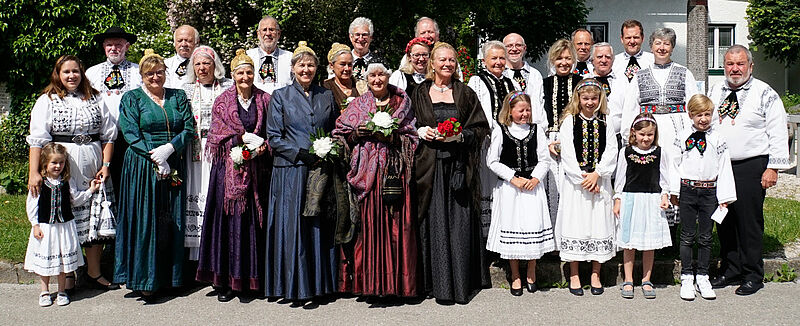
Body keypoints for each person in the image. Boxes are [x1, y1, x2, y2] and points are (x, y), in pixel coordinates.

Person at [27, 55, 118, 292]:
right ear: (58, 74)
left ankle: (93, 272)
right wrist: (34, 172)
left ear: (82, 73)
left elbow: (109, 135)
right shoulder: (47, 100)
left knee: (94, 217)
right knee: (65, 217)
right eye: (66, 72)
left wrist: (106, 165)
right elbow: (37, 140)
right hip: (62, 166)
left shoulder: (96, 97)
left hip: (93, 161)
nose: (71, 76)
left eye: (75, 71)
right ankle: (67, 273)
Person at [707, 45, 790, 295]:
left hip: (751, 165)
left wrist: (773, 167)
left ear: (750, 66)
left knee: (749, 222)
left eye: (740, 64)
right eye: (730, 64)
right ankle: (731, 269)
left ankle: (753, 274)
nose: (735, 69)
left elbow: (777, 130)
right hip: (721, 166)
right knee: (725, 221)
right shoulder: (715, 90)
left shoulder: (764, 93)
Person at [332, 60, 419, 297]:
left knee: (397, 227)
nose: (377, 80)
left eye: (381, 75)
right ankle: (370, 285)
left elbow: (412, 137)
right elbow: (339, 133)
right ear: (367, 81)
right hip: (366, 173)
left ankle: (398, 286)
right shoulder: (359, 104)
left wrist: (393, 139)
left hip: (393, 173)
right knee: (370, 228)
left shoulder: (402, 102)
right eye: (373, 77)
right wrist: (354, 136)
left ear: (388, 77)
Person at [114, 49, 195, 301]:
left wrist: (170, 149)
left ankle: (171, 277)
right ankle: (144, 279)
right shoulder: (132, 98)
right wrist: (154, 157)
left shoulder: (178, 96)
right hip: (141, 164)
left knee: (171, 217)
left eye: (159, 72)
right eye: (149, 73)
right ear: (142, 75)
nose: (155, 77)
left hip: (174, 159)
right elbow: (129, 132)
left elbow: (189, 126)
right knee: (146, 218)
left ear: (165, 72)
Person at [413, 42, 491, 304]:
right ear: (432, 63)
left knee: (459, 223)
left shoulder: (465, 93)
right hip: (430, 167)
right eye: (442, 60)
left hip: (459, 166)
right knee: (434, 222)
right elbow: (407, 124)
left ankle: (460, 283)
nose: (447, 64)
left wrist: (460, 136)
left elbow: (481, 128)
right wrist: (421, 131)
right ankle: (437, 285)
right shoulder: (419, 92)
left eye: (451, 60)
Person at [264, 41, 340, 301]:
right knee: (292, 227)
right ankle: (291, 287)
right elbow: (273, 137)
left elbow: (335, 129)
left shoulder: (325, 95)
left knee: (317, 226)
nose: (306, 69)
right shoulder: (280, 96)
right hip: (290, 170)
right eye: (301, 65)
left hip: (319, 169)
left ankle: (318, 286)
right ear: (293, 68)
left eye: (310, 65)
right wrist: (299, 153)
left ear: (317, 68)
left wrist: (328, 149)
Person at [196, 49, 271, 302]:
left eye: (249, 72)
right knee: (228, 224)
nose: (245, 76)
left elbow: (273, 132)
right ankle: (226, 282)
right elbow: (216, 137)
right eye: (240, 72)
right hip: (226, 172)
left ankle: (253, 280)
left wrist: (263, 147)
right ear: (232, 74)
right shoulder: (223, 101)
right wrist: (239, 139)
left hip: (258, 172)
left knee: (253, 223)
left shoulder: (266, 100)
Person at [622, 27, 698, 227]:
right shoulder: (641, 75)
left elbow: (693, 103)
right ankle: (653, 223)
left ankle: (677, 225)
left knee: (674, 169)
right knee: (652, 170)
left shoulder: (684, 72)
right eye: (658, 43)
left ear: (672, 47)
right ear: (651, 46)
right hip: (650, 128)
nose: (662, 48)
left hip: (677, 128)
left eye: (666, 43)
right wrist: (628, 136)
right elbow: (630, 106)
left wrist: (693, 132)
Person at [485, 91, 554, 296]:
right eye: (521, 110)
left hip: (532, 187)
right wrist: (512, 177)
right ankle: (515, 274)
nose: (525, 114)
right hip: (510, 189)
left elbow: (544, 159)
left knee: (532, 226)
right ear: (510, 111)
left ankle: (531, 270)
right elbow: (492, 161)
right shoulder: (502, 130)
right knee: (512, 226)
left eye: (528, 110)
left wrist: (535, 178)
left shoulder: (536, 130)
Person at [669, 94, 736, 301]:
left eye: (707, 114)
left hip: (709, 192)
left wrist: (724, 196)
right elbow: (674, 164)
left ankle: (703, 276)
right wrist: (674, 191)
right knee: (687, 235)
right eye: (699, 115)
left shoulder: (718, 138)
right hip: (688, 190)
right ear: (690, 115)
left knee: (706, 237)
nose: (703, 119)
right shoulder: (682, 136)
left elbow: (725, 167)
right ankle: (687, 275)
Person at [555, 79, 618, 296]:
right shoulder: (569, 122)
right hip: (577, 184)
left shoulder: (606, 121)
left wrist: (597, 174)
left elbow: (611, 150)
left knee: (598, 223)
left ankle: (595, 273)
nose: (590, 102)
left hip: (599, 182)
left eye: (594, 98)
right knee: (577, 223)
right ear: (578, 99)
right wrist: (583, 179)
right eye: (586, 98)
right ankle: (574, 273)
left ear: (600, 99)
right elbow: (568, 154)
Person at [24, 143, 97, 306]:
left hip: (65, 227)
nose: (58, 166)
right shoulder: (40, 183)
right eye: (54, 163)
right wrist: (35, 225)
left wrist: (90, 191)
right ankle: (44, 291)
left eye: (61, 163)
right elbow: (32, 204)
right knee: (47, 262)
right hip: (46, 228)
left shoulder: (66, 181)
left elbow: (75, 200)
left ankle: (62, 290)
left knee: (63, 261)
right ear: (45, 163)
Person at [181, 45, 233, 260]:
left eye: (207, 63)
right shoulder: (185, 89)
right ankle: (196, 255)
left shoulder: (227, 87)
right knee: (196, 191)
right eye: (198, 64)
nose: (202, 68)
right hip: (195, 151)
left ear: (215, 65)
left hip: (220, 150)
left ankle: (216, 249)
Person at [613, 113, 672, 299]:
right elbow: (621, 178)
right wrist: (618, 199)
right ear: (634, 133)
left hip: (652, 201)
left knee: (649, 244)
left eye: (650, 135)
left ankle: (647, 279)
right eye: (642, 134)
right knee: (629, 243)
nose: (646, 138)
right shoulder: (626, 152)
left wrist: (665, 195)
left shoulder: (660, 153)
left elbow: (664, 177)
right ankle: (628, 280)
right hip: (631, 200)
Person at [85, 27, 142, 202]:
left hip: (131, 138)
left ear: (127, 46)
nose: (114, 49)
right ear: (104, 47)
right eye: (109, 45)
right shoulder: (91, 73)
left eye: (118, 44)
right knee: (103, 181)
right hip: (101, 139)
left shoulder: (138, 71)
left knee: (129, 182)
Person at [468, 41, 517, 240]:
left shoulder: (510, 82)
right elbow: (476, 111)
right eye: (493, 58)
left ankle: (503, 232)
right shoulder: (476, 81)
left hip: (508, 141)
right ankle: (487, 236)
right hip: (486, 141)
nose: (498, 62)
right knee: (487, 183)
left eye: (501, 58)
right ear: (484, 60)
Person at [541, 39, 582, 225]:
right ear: (552, 60)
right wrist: (546, 141)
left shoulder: (581, 83)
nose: (563, 62)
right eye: (559, 58)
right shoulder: (545, 84)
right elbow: (539, 113)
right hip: (550, 139)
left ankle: (572, 232)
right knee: (553, 187)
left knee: (572, 186)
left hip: (575, 139)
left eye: (567, 58)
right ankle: (553, 240)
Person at [246, 15, 293, 94]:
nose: (268, 33)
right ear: (258, 34)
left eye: (271, 29)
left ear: (279, 33)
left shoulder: (290, 58)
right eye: (264, 30)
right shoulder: (248, 57)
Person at [588, 42, 626, 136]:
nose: (604, 60)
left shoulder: (624, 82)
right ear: (592, 60)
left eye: (608, 57)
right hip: (589, 135)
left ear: (613, 60)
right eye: (599, 57)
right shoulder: (583, 81)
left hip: (617, 137)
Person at [502, 33, 544, 104]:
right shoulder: (500, 74)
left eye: (518, 45)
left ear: (524, 48)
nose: (514, 49)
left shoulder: (535, 74)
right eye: (509, 46)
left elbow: (539, 103)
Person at [323, 43, 360, 112]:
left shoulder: (360, 86)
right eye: (342, 64)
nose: (347, 68)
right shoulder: (325, 87)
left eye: (349, 64)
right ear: (331, 65)